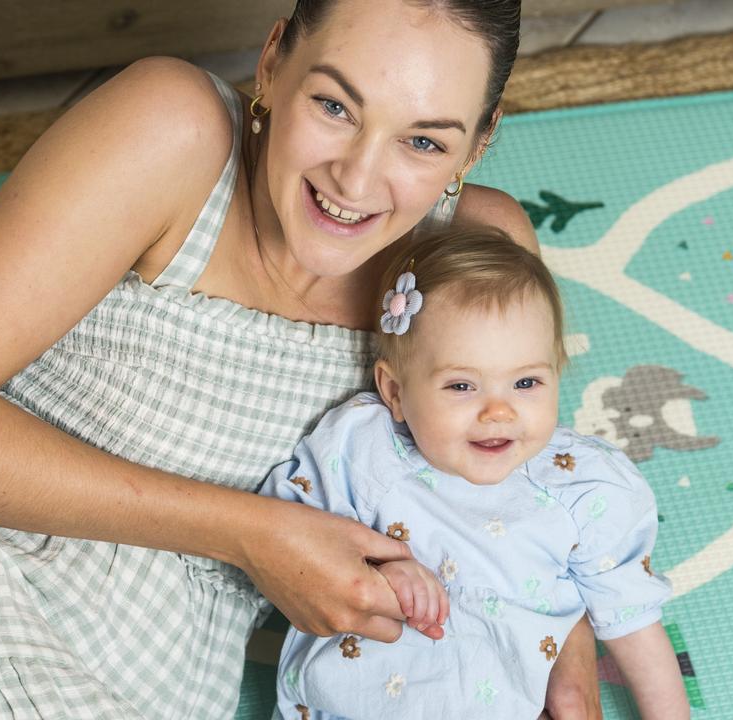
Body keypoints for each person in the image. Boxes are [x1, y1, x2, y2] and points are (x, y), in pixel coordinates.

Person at [0, 0, 608, 717]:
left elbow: (517, 491)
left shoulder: (472, 264)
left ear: (480, 142)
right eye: (336, 107)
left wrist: (562, 663)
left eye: (423, 143)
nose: (355, 179)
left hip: (150, 679)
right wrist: (252, 535)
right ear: (274, 63)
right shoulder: (173, 131)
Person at [260, 227, 690, 719]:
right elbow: (287, 539)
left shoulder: (582, 488)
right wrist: (381, 569)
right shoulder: (364, 451)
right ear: (395, 393)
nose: (498, 413)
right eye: (462, 386)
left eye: (526, 382)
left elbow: (633, 622)